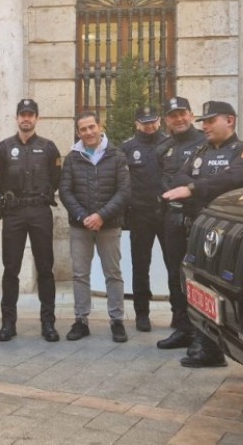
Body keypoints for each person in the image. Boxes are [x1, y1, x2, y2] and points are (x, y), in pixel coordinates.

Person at [162, 100, 243, 367]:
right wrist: (193, 186)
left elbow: (232, 179)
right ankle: (206, 345)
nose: (204, 126)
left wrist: (195, 189)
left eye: (210, 120)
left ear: (229, 120)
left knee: (236, 293)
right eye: (203, 121)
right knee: (199, 287)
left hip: (232, 234)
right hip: (200, 229)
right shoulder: (200, 151)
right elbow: (179, 178)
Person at [0, 98, 62, 342]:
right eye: (22, 114)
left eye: (30, 114)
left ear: (37, 119)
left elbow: (56, 179)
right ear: (16, 118)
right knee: (10, 269)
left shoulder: (49, 147)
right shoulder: (3, 148)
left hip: (40, 211)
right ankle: (8, 323)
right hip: (14, 212)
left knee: (45, 268)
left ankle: (48, 323)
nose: (26, 118)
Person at [59, 111, 131, 342]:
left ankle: (117, 321)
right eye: (83, 129)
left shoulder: (117, 155)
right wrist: (83, 216)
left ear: (99, 126)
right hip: (80, 227)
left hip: (109, 225)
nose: (88, 132)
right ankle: (81, 320)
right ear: (78, 132)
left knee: (113, 274)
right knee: (80, 274)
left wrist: (101, 215)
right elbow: (65, 191)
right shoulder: (72, 157)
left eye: (92, 127)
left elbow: (124, 191)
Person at [155, 97, 207, 351]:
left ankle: (202, 331)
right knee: (175, 273)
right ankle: (182, 326)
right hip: (171, 218)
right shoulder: (164, 148)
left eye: (182, 113)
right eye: (173, 115)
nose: (179, 119)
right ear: (166, 120)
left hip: (197, 218)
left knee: (197, 276)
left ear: (191, 114)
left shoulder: (205, 144)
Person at [120, 106, 168, 332]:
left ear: (159, 122)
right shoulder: (128, 148)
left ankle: (180, 314)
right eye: (144, 122)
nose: (149, 126)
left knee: (174, 265)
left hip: (167, 214)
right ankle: (142, 314)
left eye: (153, 121)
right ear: (137, 124)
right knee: (140, 266)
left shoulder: (170, 145)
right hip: (140, 215)